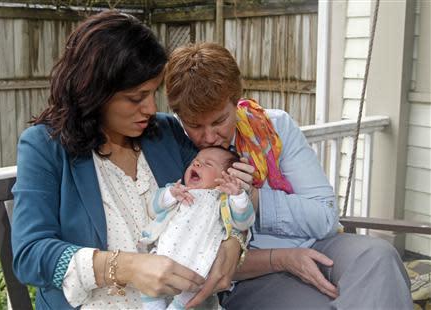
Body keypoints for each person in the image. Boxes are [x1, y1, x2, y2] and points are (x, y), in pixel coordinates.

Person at [11, 12, 249, 309]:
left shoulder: (166, 133)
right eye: (136, 98)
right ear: (95, 91)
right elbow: (29, 255)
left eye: (153, 93)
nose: (150, 108)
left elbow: (227, 190)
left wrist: (233, 242)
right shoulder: (45, 146)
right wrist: (127, 267)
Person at [164, 42, 413, 309]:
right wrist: (283, 258)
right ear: (179, 116)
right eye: (194, 125)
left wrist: (255, 198)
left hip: (317, 244)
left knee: (378, 256)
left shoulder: (274, 128)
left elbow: (326, 218)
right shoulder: (174, 147)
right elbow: (186, 252)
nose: (209, 137)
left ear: (236, 101)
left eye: (219, 121)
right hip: (253, 273)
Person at [138, 146, 255, 309]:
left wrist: (238, 196)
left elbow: (244, 222)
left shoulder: (223, 200)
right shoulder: (179, 190)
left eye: (208, 164)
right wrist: (170, 194)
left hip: (199, 257)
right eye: (195, 162)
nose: (197, 165)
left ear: (226, 177)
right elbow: (153, 208)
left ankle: (178, 306)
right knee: (148, 279)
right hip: (167, 250)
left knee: (194, 288)